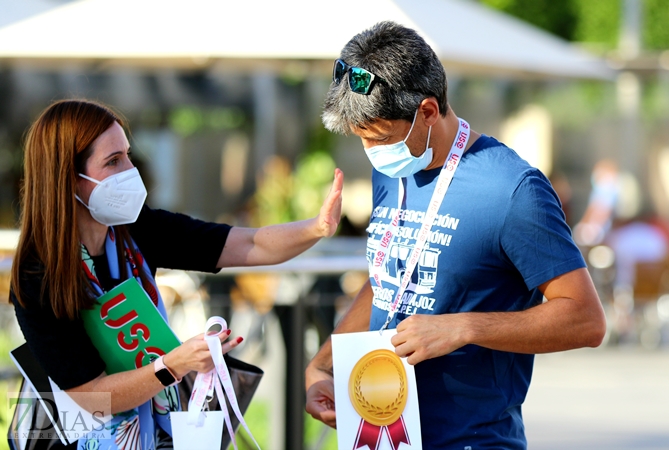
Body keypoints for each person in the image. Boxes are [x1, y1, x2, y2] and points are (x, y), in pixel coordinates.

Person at [304, 21, 606, 449]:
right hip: (380, 434)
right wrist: (322, 365)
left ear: (428, 111)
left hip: (471, 439)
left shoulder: (513, 190)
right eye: (363, 140)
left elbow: (586, 320)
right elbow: (386, 284)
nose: (373, 152)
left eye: (382, 138)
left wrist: (462, 327)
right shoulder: (394, 171)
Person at [10, 99, 343, 449]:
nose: (130, 170)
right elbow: (91, 398)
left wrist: (316, 228)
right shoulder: (37, 276)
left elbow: (246, 244)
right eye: (113, 161)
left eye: (127, 155)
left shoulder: (137, 230)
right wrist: (173, 365)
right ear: (68, 179)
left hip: (154, 432)